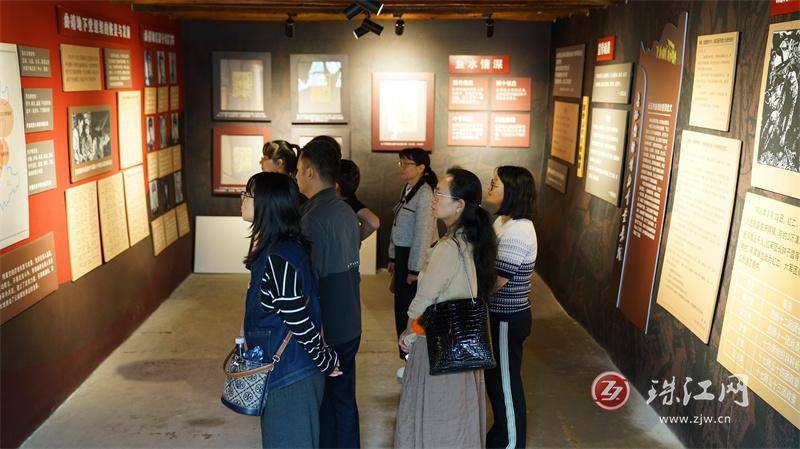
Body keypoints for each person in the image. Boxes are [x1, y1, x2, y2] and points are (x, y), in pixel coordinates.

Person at [395, 167, 498, 449]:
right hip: (461, 347)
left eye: (440, 193)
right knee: (458, 417)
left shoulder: (448, 246)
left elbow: (425, 298)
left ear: (459, 205)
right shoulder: (469, 241)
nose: (434, 198)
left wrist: (408, 332)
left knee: (435, 415)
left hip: (437, 346)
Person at [240, 172, 342, 448]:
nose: (242, 200)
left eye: (247, 195)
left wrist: (325, 360)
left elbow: (298, 319)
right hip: (283, 371)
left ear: (267, 204)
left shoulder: (279, 257)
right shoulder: (277, 249)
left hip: (290, 377)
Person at [296, 137, 362, 448]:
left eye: (298, 171)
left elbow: (312, 282)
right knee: (344, 399)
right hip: (350, 320)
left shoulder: (313, 218)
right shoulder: (346, 211)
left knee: (325, 402)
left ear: (309, 172)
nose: (296, 178)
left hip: (328, 327)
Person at [482, 166, 538, 449]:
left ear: (512, 192)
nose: (489, 188)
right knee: (496, 382)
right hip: (497, 316)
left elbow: (497, 280)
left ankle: (511, 442)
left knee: (505, 383)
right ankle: (503, 433)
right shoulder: (502, 221)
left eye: (495, 185)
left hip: (507, 318)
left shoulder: (519, 230)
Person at [388, 148, 438, 370]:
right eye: (400, 163)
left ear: (421, 168)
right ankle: (406, 357)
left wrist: (415, 270)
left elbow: (424, 234)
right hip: (402, 256)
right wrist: (391, 256)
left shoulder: (425, 194)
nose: (402, 167)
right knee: (401, 308)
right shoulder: (408, 189)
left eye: (407, 164)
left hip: (413, 259)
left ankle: (413, 358)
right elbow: (398, 224)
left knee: (411, 311)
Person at [337, 159, 380, 241]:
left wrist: (355, 240)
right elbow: (374, 222)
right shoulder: (351, 200)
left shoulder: (344, 201)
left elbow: (374, 222)